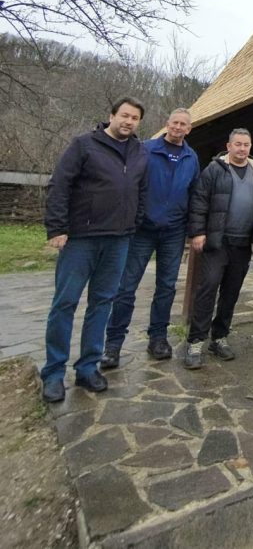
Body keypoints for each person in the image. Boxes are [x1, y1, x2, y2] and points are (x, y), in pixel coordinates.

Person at [40, 98, 149, 403]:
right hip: (82, 239)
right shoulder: (85, 145)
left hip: (119, 240)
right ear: (111, 115)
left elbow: (142, 191)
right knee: (65, 304)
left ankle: (88, 366)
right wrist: (57, 228)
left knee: (102, 303)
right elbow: (60, 185)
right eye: (124, 115)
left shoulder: (140, 152)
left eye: (135, 118)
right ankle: (53, 373)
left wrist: (134, 223)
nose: (129, 121)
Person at [102, 108, 200, 368]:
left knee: (166, 287)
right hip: (143, 229)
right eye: (175, 123)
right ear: (166, 124)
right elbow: (130, 185)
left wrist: (193, 230)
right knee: (126, 286)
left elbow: (195, 195)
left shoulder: (191, 157)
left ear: (189, 129)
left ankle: (158, 337)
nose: (178, 127)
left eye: (184, 125)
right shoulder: (145, 150)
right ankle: (113, 343)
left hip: (174, 231)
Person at [184, 128, 253, 369]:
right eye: (238, 144)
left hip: (243, 243)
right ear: (228, 146)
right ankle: (196, 341)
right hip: (218, 241)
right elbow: (199, 200)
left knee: (231, 292)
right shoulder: (214, 170)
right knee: (208, 287)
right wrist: (198, 232)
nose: (242, 149)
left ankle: (219, 337)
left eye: (246, 145)